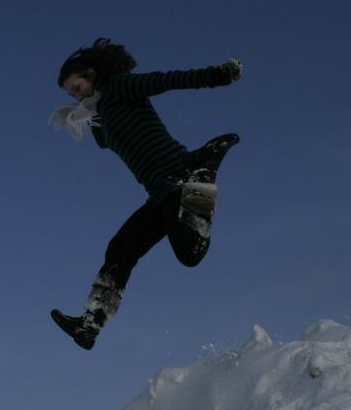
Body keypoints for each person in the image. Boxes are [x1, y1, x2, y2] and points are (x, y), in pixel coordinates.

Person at [48, 37, 243, 350]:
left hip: (178, 174)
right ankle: (90, 323)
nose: (76, 95)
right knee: (126, 249)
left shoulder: (120, 87)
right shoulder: (102, 115)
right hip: (159, 191)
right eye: (72, 93)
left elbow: (164, 81)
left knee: (188, 252)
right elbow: (105, 141)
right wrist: (84, 118)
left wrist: (216, 76)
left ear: (92, 74)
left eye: (77, 87)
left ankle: (203, 170)